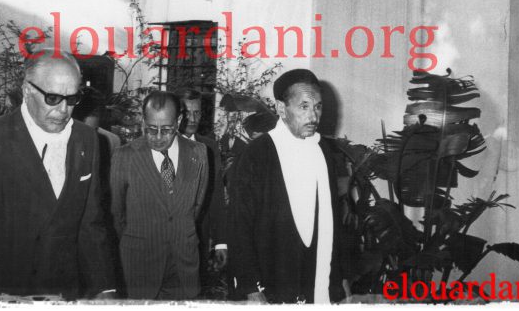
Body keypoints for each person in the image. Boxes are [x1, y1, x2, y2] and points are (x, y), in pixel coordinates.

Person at [0, 51, 116, 298]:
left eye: (72, 99)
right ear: (27, 90)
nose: (63, 110)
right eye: (52, 98)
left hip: (60, 291)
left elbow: (91, 223)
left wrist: (105, 287)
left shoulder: (87, 139)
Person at [229, 68, 344, 304]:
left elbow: (334, 222)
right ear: (281, 109)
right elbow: (240, 225)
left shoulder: (324, 152)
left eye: (318, 107)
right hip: (271, 279)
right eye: (304, 107)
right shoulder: (257, 154)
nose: (313, 116)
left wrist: (340, 279)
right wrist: (250, 287)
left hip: (316, 278)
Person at [110, 90, 208, 300]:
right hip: (140, 266)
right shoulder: (124, 157)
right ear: (143, 121)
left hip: (184, 265)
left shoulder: (199, 153)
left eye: (167, 129)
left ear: (179, 121)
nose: (158, 137)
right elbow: (116, 214)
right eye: (151, 129)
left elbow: (196, 206)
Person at [177, 89, 228, 281]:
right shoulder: (162, 145)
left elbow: (216, 195)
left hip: (199, 239)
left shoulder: (209, 147)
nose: (192, 119)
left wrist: (221, 242)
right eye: (187, 113)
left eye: (197, 112)